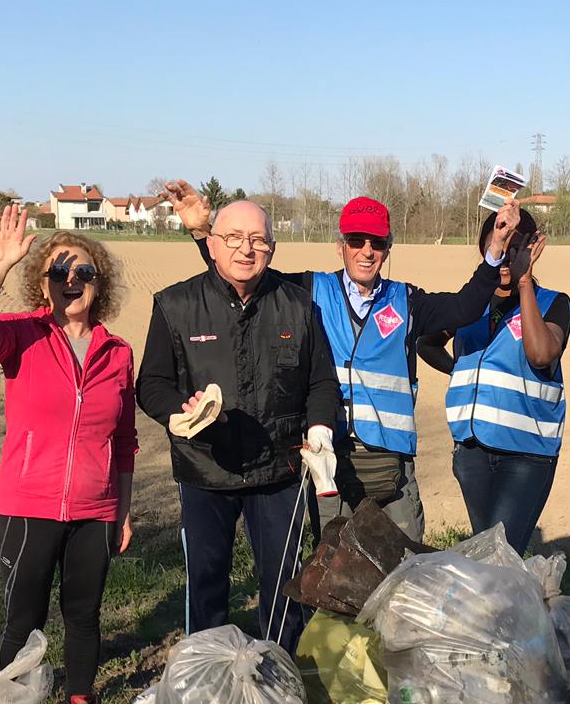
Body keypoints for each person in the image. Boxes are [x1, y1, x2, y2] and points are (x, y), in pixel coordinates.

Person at [166, 181, 523, 540]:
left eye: (377, 243)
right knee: (334, 578)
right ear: (340, 246)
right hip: (328, 464)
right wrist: (203, 233)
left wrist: (494, 249)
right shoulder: (307, 291)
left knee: (401, 574)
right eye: (356, 241)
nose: (366, 251)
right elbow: (246, 271)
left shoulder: (409, 300)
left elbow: (466, 306)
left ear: (387, 249)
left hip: (391, 470)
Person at [0, 205, 137, 704]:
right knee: (23, 619)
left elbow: (125, 439)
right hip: (29, 505)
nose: (72, 282)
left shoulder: (118, 352)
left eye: (84, 273)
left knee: (83, 617)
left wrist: (121, 510)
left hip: (94, 509)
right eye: (61, 273)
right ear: (43, 282)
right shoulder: (22, 336)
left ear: (98, 283)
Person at [135, 200, 340, 652]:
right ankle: (205, 681)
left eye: (258, 240)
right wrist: (178, 411)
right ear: (212, 243)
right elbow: (151, 384)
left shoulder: (298, 307)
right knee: (206, 583)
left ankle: (281, 674)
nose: (245, 249)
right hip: (205, 468)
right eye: (233, 238)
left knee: (285, 583)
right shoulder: (176, 305)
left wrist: (321, 427)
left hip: (278, 471)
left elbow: (321, 381)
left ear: (272, 247)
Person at [419, 208, 570, 554]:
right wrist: (462, 371)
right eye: (499, 246)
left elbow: (541, 354)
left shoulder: (553, 303)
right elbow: (425, 342)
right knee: (488, 554)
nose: (506, 257)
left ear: (533, 249)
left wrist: (524, 283)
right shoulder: (471, 307)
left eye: (516, 248)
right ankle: (512, 606)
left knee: (499, 556)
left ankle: (517, 607)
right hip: (471, 451)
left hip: (526, 455)